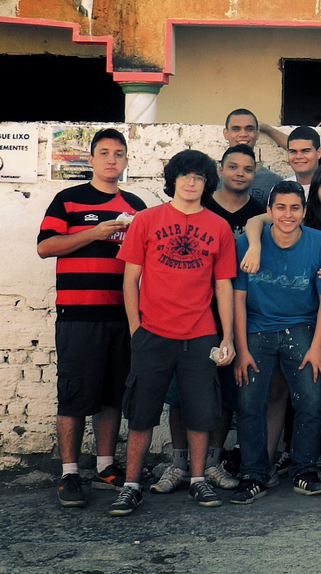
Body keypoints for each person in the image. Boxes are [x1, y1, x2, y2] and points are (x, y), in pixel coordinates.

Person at [111, 150, 237, 516]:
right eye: (184, 175)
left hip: (200, 333)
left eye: (198, 177)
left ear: (206, 183)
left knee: (200, 410)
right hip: (152, 332)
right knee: (141, 411)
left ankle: (197, 480)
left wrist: (227, 336)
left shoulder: (218, 227)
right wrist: (137, 329)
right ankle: (131, 485)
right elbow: (130, 280)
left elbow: (224, 285)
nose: (191, 182)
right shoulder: (147, 221)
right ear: (173, 179)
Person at [37, 128, 146, 507]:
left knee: (112, 394)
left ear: (127, 159)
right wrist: (96, 231)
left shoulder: (136, 205)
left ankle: (105, 466)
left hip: (123, 315)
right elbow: (46, 247)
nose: (111, 160)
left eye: (118, 153)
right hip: (78, 315)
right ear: (91, 158)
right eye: (104, 153)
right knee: (75, 396)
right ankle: (69, 473)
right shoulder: (68, 199)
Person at [149, 145, 265, 497]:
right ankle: (179, 464)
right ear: (221, 170)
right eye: (233, 166)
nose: (240, 173)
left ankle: (212, 463)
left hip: (235, 316)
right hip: (186, 319)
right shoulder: (199, 203)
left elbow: (275, 221)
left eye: (247, 168)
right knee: (181, 396)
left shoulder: (259, 211)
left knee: (225, 393)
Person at [231, 180, 321, 504]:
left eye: (294, 208)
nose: (287, 215)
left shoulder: (319, 243)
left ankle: (304, 469)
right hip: (256, 329)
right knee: (249, 403)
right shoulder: (248, 244)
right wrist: (241, 349)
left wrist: (318, 346)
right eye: (281, 207)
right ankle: (253, 474)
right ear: (269, 211)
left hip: (301, 327)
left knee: (310, 400)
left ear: (304, 212)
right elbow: (238, 298)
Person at [221, 108, 283, 207]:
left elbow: (297, 146)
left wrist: (267, 128)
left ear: (257, 133)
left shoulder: (273, 181)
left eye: (249, 129)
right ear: (226, 133)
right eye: (236, 129)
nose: (243, 134)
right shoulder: (210, 177)